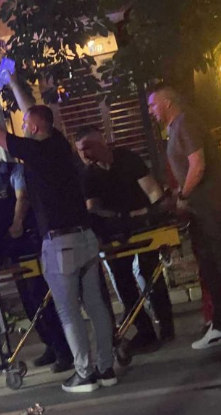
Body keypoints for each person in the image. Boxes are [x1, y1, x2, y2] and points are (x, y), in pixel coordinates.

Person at [0, 73, 116, 393]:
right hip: (86, 237)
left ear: (34, 129)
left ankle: (84, 374)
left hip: (60, 243)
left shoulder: (34, 152)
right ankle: (106, 368)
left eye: (25, 125)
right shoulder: (59, 144)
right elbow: (34, 113)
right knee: (96, 307)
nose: (22, 126)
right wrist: (13, 82)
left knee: (68, 312)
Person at [147, 83, 221, 349]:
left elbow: (197, 164)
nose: (151, 111)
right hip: (200, 210)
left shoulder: (186, 122)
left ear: (167, 102)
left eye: (153, 105)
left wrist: (183, 194)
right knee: (210, 268)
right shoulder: (175, 128)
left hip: (216, 206)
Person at [0, 137, 74, 373]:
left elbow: (22, 198)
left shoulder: (15, 171)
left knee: (40, 296)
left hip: (26, 239)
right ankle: (50, 344)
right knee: (27, 301)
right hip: (4, 243)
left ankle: (63, 349)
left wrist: (17, 224)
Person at [75, 126, 175, 353]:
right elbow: (93, 208)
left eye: (88, 147)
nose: (84, 154)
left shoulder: (127, 159)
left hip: (143, 223)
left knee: (150, 273)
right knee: (122, 280)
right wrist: (121, 217)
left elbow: (152, 190)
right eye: (80, 149)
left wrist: (157, 213)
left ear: (102, 144)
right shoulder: (88, 175)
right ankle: (144, 330)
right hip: (114, 229)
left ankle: (166, 324)